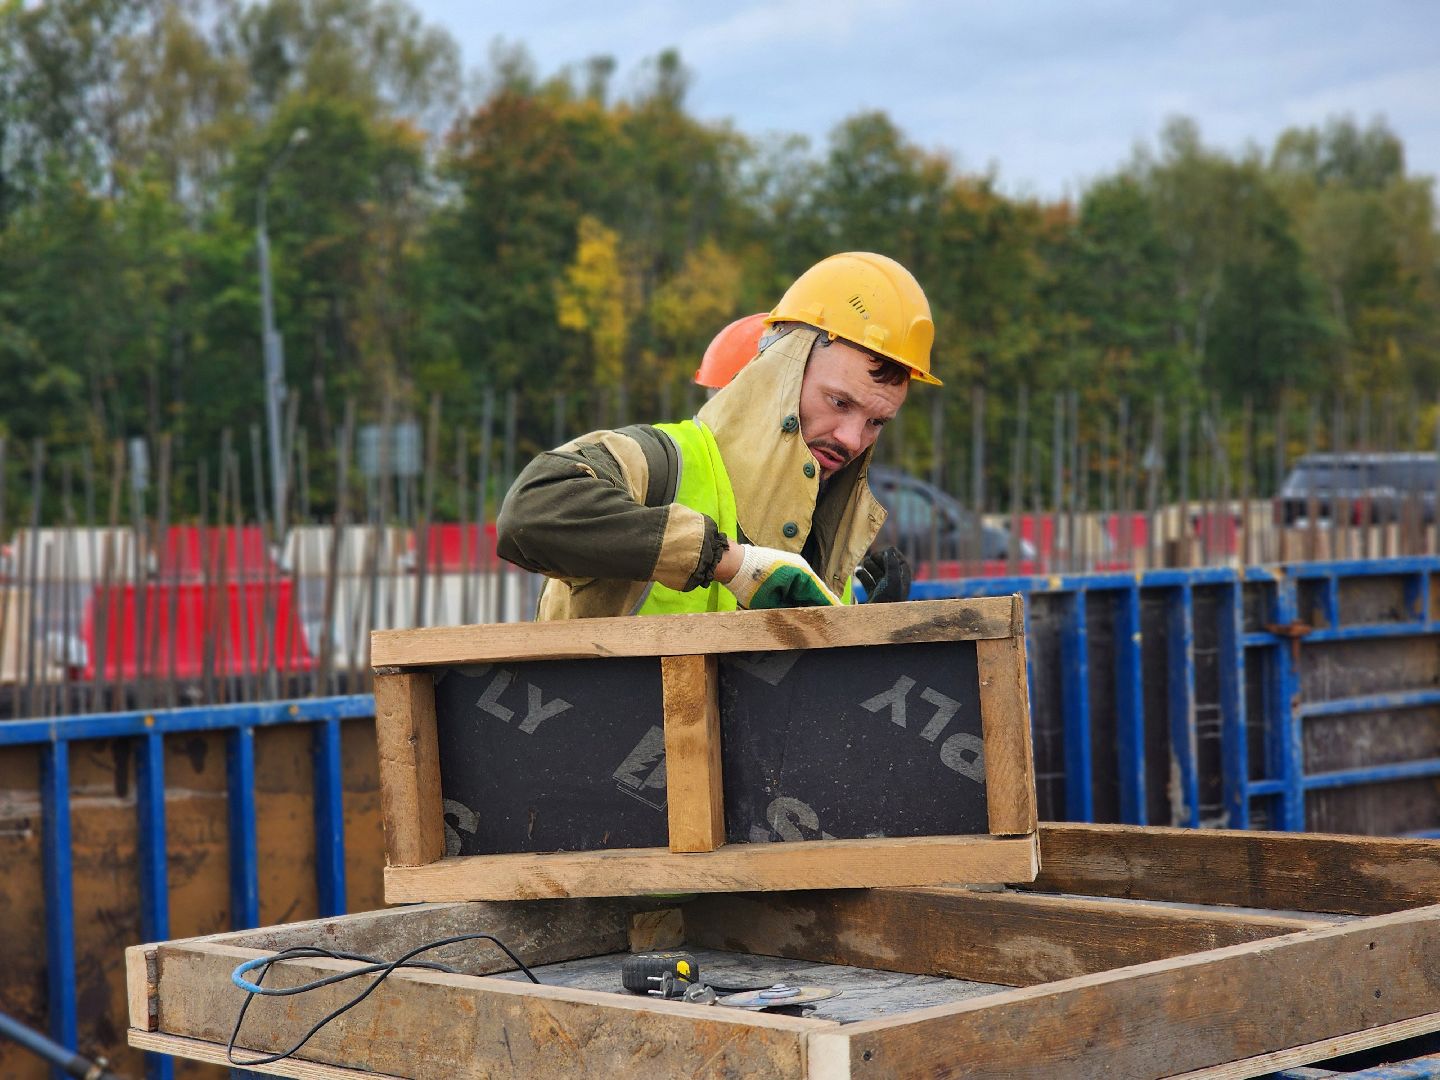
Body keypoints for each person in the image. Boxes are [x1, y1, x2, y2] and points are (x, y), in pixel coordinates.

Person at [496, 251, 939, 619]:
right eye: (839, 403)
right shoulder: (660, 464)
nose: (852, 438)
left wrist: (867, 636)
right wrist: (728, 562)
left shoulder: (829, 549)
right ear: (778, 374)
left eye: (876, 423)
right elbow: (531, 513)